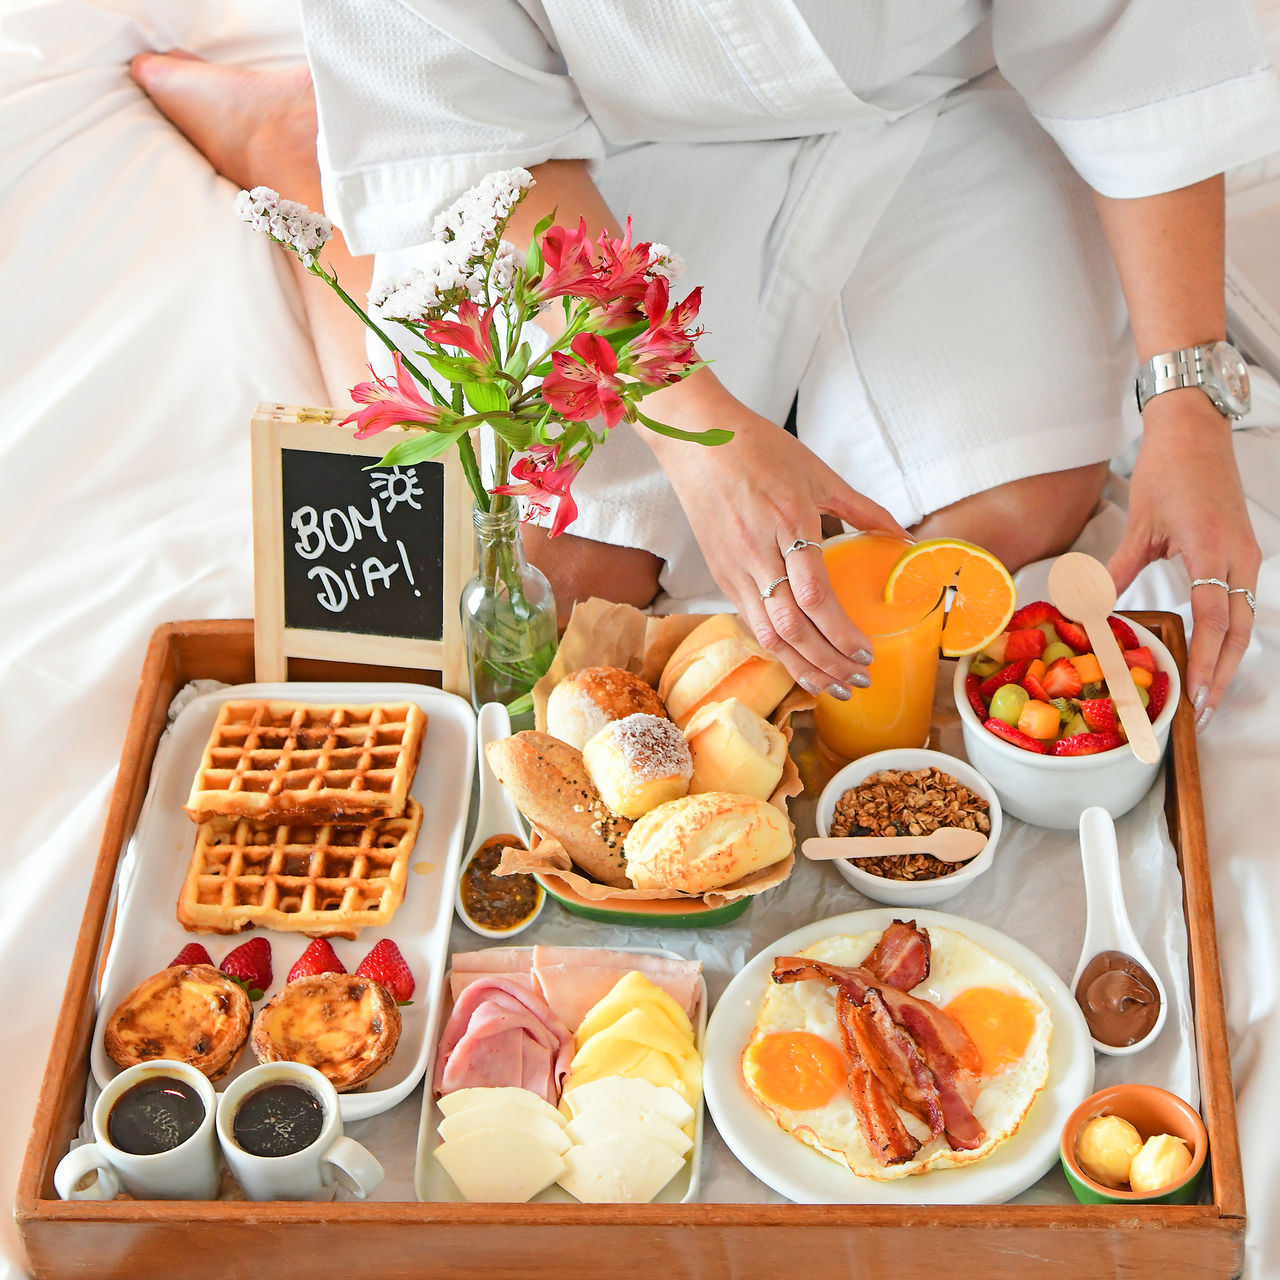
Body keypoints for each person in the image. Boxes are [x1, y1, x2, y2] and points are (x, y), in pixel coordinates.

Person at [131, 1, 1280, 731]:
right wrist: (695, 423)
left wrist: (1185, 399)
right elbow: (473, 132)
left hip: (938, 105)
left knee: (981, 530)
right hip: (585, 152)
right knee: (550, 584)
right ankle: (312, 153)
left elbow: (1140, 39)